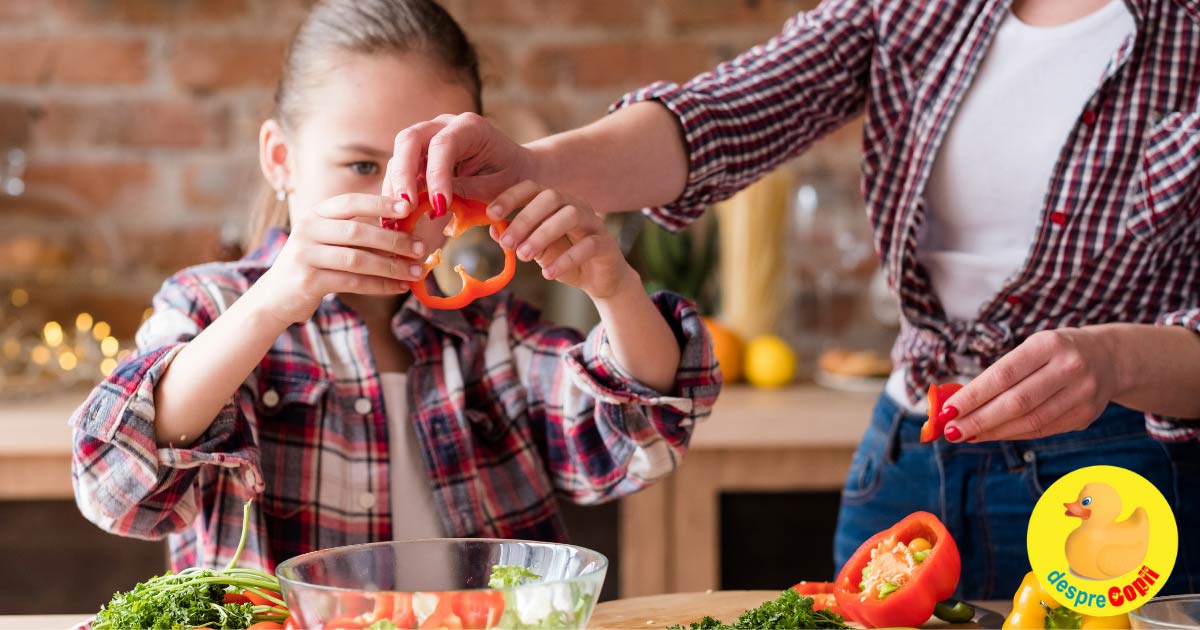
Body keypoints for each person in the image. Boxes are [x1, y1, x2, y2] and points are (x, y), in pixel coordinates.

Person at [381, 0, 1200, 598]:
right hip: (910, 462)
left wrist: (1118, 356)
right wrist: (534, 165)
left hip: (1121, 481)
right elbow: (722, 115)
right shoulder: (916, 10)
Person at [69, 0, 720, 572]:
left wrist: (615, 288)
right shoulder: (211, 307)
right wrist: (273, 300)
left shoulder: (492, 329)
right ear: (281, 160)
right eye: (361, 164)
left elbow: (647, 438)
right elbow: (110, 481)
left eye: (436, 167)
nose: (399, 199)